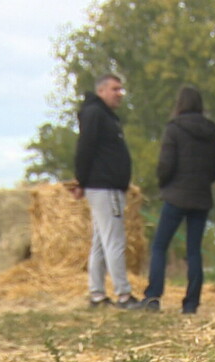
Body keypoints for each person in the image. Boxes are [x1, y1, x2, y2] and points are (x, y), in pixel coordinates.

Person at [138, 86, 215, 314]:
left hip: (175, 196)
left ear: (179, 104)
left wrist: (164, 183)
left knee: (159, 246)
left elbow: (166, 164)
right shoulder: (210, 131)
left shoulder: (173, 129)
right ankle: (191, 304)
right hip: (201, 197)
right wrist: (202, 182)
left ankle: (153, 298)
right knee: (194, 251)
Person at [72, 73, 140, 309]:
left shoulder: (103, 115)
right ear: (101, 91)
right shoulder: (96, 114)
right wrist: (81, 180)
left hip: (104, 185)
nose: (119, 94)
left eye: (121, 89)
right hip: (105, 186)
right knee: (114, 241)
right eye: (115, 89)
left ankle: (97, 294)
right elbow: (85, 147)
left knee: (101, 243)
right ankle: (123, 295)